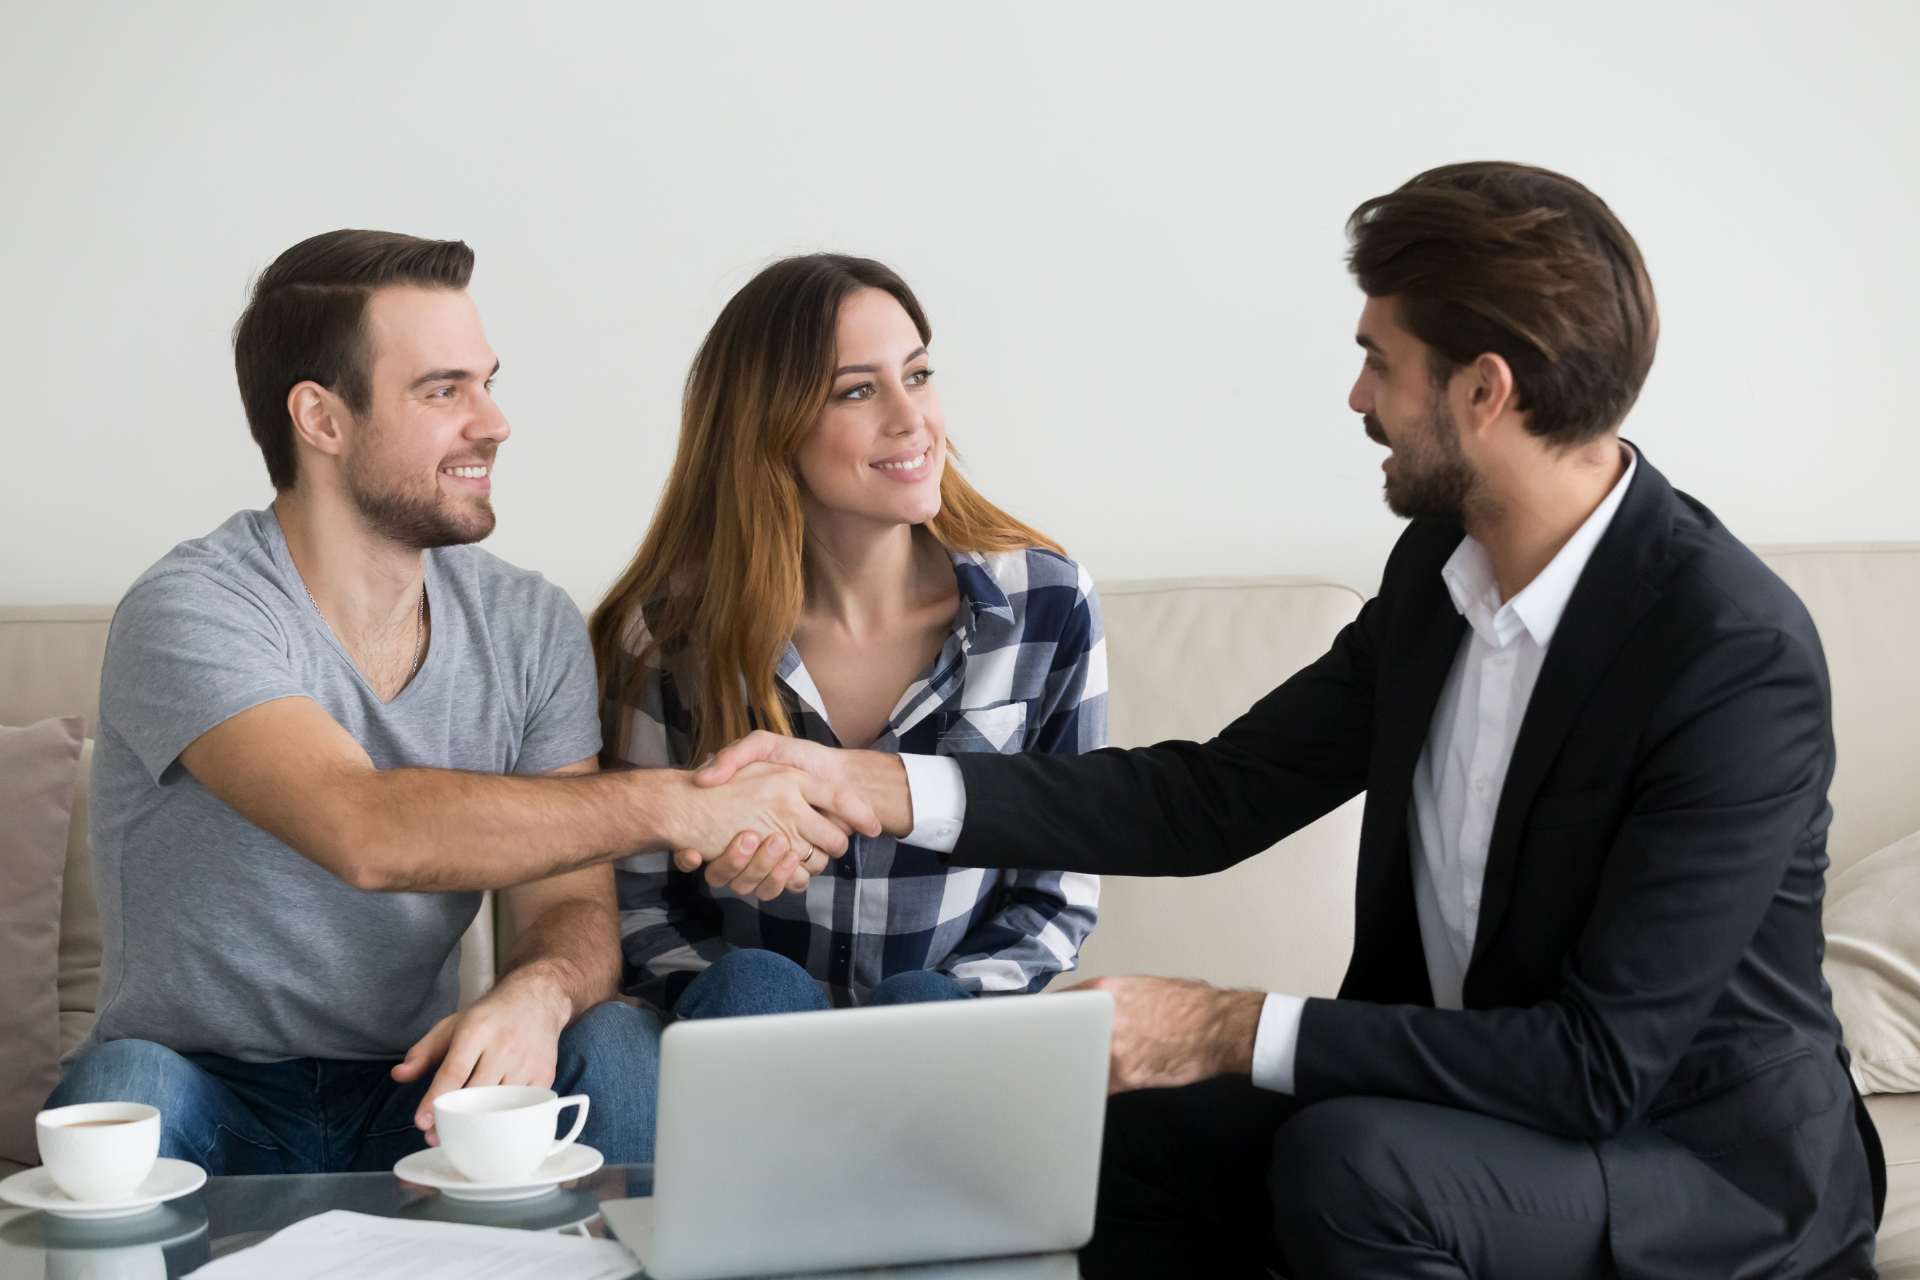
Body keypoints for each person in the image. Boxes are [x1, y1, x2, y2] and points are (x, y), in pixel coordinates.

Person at [689, 165, 1885, 1278]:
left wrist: (1219, 1023)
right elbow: (1211, 794)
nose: (1356, 394)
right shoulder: (1441, 573)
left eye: (1381, 359)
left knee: (1356, 1167)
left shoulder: (1730, 655)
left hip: (1699, 1163)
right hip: (1469, 1106)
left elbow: (1596, 1064)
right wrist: (882, 785)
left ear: (1484, 389)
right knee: (1113, 1136)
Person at [48, 230, 878, 1173]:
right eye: (444, 391)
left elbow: (567, 900)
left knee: (612, 1041)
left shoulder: (528, 624)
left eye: (486, 382)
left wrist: (543, 991)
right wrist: (685, 802)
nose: (493, 422)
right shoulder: (193, 607)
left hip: (418, 1090)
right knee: (126, 1093)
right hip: (203, 1089)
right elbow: (364, 830)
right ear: (321, 419)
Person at [591, 254, 1103, 1019]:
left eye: (918, 375)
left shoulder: (1046, 605)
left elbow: (1057, 892)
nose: (911, 418)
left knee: (925, 1007)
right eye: (858, 390)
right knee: (751, 988)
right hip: (745, 1046)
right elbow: (640, 905)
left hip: (942, 1044)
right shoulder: (667, 636)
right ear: (770, 427)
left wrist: (945, 1009)